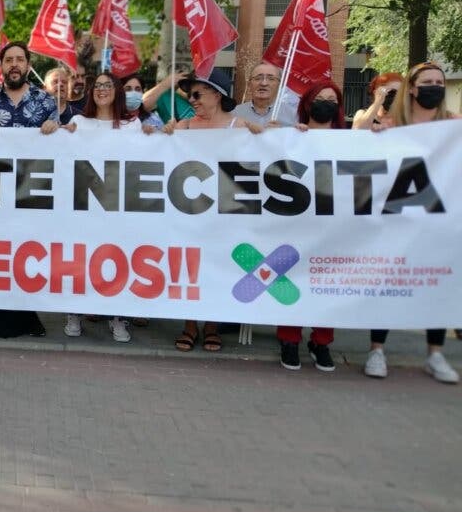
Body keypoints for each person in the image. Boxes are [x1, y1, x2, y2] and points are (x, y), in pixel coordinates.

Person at [367, 62, 459, 383]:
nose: (435, 86)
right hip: (397, 222)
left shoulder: (454, 126)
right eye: (427, 81)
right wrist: (375, 134)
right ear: (414, 89)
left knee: (437, 284)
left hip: (438, 223)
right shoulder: (393, 125)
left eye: (439, 81)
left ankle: (435, 353)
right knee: (389, 283)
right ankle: (377, 349)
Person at [0, 41, 63, 339]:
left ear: (28, 64)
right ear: (1, 64)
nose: (14, 65)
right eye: (8, 59)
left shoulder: (46, 102)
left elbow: (64, 148)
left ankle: (27, 315)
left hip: (32, 195)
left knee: (27, 252)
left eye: (19, 60)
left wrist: (55, 129)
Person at [165, 69, 260, 352]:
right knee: (191, 268)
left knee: (220, 267)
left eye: (197, 94)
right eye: (189, 95)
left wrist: (280, 134)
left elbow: (270, 151)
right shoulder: (183, 127)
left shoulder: (239, 126)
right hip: (190, 212)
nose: (191, 100)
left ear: (216, 95)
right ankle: (190, 325)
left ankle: (212, 326)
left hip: (226, 212)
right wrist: (157, 133)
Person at [64, 72, 143, 343]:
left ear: (117, 91)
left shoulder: (132, 125)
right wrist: (55, 133)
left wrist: (159, 136)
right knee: (80, 260)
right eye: (97, 86)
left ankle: (118, 318)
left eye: (107, 85)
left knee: (118, 260)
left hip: (118, 207)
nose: (101, 90)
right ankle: (74, 313)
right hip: (85, 206)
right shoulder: (78, 122)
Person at [278, 79, 348, 371]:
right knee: (291, 278)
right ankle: (289, 338)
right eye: (321, 98)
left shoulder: (350, 139)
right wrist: (286, 136)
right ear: (307, 103)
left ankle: (321, 341)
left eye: (332, 99)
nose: (326, 103)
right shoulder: (291, 135)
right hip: (295, 223)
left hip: (332, 226)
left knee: (327, 282)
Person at [231, 61, 298, 128]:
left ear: (280, 85)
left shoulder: (294, 115)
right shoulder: (235, 114)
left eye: (271, 79)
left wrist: (280, 133)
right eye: (258, 78)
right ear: (249, 84)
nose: (264, 83)